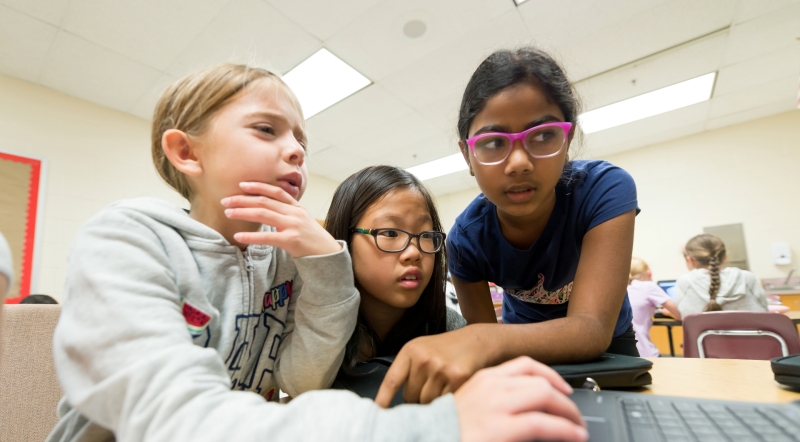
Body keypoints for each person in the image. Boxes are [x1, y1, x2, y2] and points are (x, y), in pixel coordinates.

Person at [47, 63, 587, 442]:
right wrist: (441, 428)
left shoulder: (280, 263)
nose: (296, 150)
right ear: (186, 152)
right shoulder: (127, 240)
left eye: (301, 141)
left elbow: (299, 382)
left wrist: (327, 268)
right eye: (266, 129)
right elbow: (172, 424)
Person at [377, 47, 638, 407]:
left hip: (610, 344)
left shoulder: (604, 190)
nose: (518, 162)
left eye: (543, 135)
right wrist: (483, 341)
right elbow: (485, 341)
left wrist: (483, 339)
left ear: (568, 139)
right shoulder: (466, 240)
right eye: (494, 142)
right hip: (521, 348)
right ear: (468, 156)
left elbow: (591, 329)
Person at [324, 165, 465, 372]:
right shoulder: (316, 327)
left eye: (426, 235)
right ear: (345, 239)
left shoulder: (447, 328)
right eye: (390, 233)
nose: (414, 253)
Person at [676, 233, 768, 317]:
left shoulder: (685, 281)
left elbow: (684, 316)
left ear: (690, 260)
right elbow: (764, 312)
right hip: (750, 335)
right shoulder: (747, 278)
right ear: (724, 257)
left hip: (705, 336)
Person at [627, 258, 681, 357]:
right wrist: (669, 313)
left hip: (623, 355)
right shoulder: (648, 286)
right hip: (644, 353)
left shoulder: (622, 289)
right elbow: (680, 314)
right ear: (648, 272)